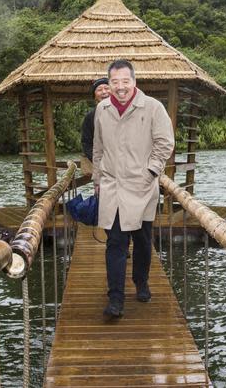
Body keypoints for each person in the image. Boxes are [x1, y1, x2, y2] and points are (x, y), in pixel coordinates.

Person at [92, 59, 175, 319]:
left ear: (134, 82)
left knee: (141, 240)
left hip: (141, 187)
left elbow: (165, 143)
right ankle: (115, 297)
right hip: (112, 187)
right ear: (109, 84)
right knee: (115, 242)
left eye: (125, 81)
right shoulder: (102, 109)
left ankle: (141, 282)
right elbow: (98, 148)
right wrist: (97, 179)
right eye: (115, 82)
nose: (120, 87)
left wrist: (151, 171)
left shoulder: (152, 107)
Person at [80, 77, 110, 176]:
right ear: (95, 96)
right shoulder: (90, 117)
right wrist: (98, 161)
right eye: (99, 90)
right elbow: (86, 142)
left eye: (107, 88)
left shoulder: (125, 112)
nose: (104, 92)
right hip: (101, 167)